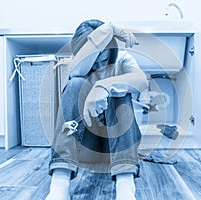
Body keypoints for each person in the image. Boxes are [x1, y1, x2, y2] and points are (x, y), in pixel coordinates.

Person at [46, 19, 148, 200]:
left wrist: (104, 86)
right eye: (95, 55)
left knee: (121, 89)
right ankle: (59, 186)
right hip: (85, 149)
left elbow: (141, 81)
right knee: (75, 83)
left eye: (105, 53)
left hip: (118, 149)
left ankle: (125, 187)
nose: (100, 61)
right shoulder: (76, 66)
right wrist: (108, 29)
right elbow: (77, 71)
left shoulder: (123, 59)